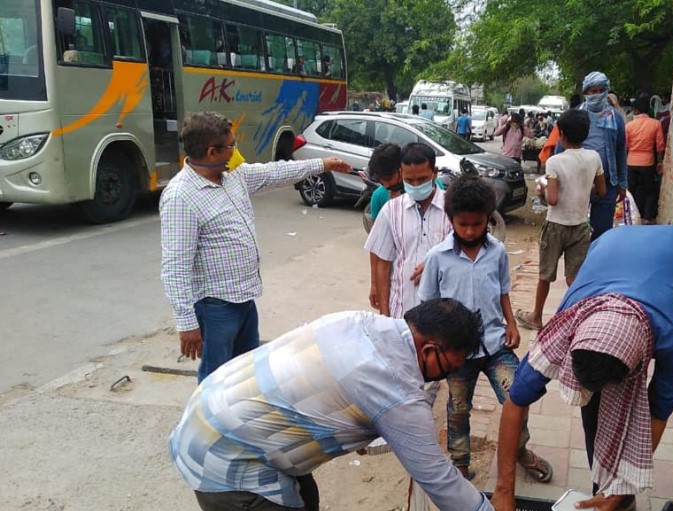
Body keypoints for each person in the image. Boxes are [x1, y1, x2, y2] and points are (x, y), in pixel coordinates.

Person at [168, 299, 527, 511]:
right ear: (429, 348)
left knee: (303, 505)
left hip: (215, 411)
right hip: (225, 461)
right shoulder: (395, 388)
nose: (443, 378)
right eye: (448, 368)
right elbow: (438, 478)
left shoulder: (364, 323)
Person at [492, 225, 673, 511]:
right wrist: (503, 491)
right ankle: (611, 498)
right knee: (593, 402)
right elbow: (515, 402)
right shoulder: (567, 323)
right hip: (610, 254)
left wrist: (624, 482)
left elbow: (657, 413)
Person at [160, 111, 351, 382]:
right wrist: (186, 323)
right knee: (216, 380)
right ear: (212, 151)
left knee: (247, 373)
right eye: (231, 146)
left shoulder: (232, 176)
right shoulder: (181, 197)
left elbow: (274, 173)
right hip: (215, 307)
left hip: (244, 299)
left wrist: (323, 164)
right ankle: (214, 424)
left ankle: (242, 421)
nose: (235, 151)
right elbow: (175, 267)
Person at [419, 175, 553, 482]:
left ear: (488, 220)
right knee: (458, 409)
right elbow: (427, 306)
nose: (469, 231)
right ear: (451, 220)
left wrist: (511, 324)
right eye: (462, 224)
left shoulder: (498, 252)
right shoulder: (437, 258)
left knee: (518, 396)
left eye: (476, 224)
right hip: (456, 353)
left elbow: (503, 291)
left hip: (495, 345)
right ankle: (460, 463)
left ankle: (519, 450)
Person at [515, 110, 606, 332]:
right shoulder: (594, 157)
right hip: (580, 225)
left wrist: (543, 188)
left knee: (545, 275)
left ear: (561, 134)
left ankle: (536, 316)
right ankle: (578, 319)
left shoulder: (555, 161)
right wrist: (583, 190)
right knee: (574, 277)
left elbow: (552, 200)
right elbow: (601, 191)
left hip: (556, 225)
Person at [364, 143, 452, 318]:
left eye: (422, 179)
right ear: (401, 173)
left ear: (434, 173)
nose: (416, 185)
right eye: (410, 180)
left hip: (444, 313)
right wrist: (384, 316)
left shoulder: (453, 207)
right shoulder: (391, 210)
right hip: (402, 310)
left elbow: (468, 252)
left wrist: (436, 262)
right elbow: (382, 262)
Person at [578, 71, 628, 242]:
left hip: (607, 183)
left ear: (607, 92)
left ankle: (596, 260)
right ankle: (579, 264)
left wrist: (622, 183)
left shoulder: (616, 118)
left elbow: (621, 150)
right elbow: (561, 149)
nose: (597, 95)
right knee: (576, 229)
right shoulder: (577, 116)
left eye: (601, 90)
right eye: (592, 91)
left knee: (602, 229)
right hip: (578, 182)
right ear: (586, 93)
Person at [625, 96, 665, 223]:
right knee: (648, 190)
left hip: (631, 161)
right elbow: (660, 145)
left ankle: (633, 216)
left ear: (635, 110)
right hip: (648, 162)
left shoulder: (629, 126)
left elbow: (625, 146)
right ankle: (647, 217)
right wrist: (659, 162)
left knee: (632, 190)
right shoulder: (656, 124)